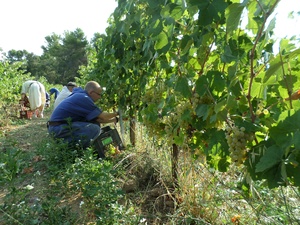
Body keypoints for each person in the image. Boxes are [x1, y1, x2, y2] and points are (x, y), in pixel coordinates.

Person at [47, 81, 119, 153]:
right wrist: (118, 113)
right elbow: (103, 116)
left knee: (95, 124)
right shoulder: (83, 98)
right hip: (58, 129)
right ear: (91, 92)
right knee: (95, 129)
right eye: (99, 94)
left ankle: (75, 148)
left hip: (57, 127)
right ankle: (77, 151)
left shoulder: (81, 96)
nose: (100, 97)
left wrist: (115, 119)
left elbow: (97, 119)